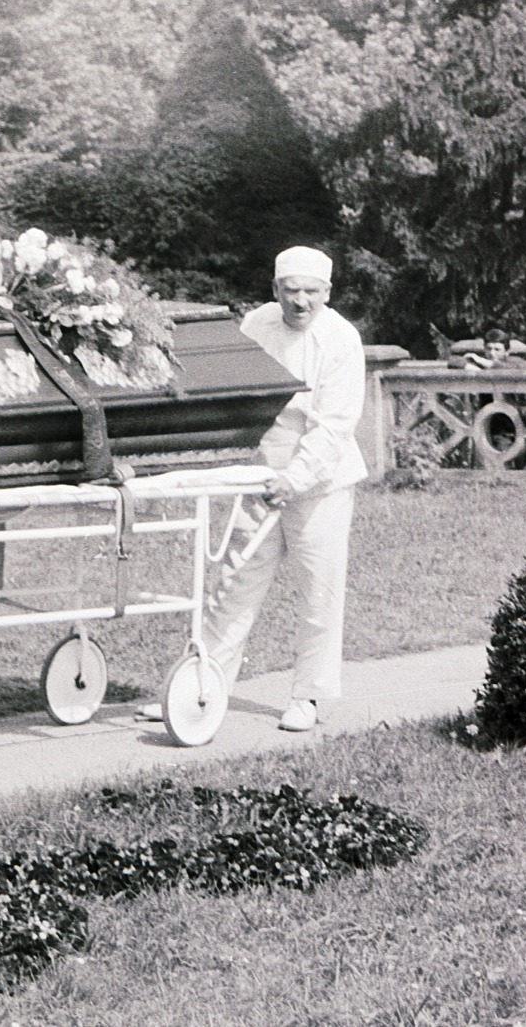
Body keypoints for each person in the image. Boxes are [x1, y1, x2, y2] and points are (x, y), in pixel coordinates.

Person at [139, 246, 366, 732]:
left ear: (328, 293)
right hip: (260, 473)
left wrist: (295, 478)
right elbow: (237, 389)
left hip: (322, 480)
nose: (300, 302)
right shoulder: (258, 324)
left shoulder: (341, 340)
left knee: (319, 592)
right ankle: (201, 685)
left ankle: (309, 697)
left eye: (311, 292)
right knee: (233, 584)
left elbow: (335, 425)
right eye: (290, 291)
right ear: (275, 290)